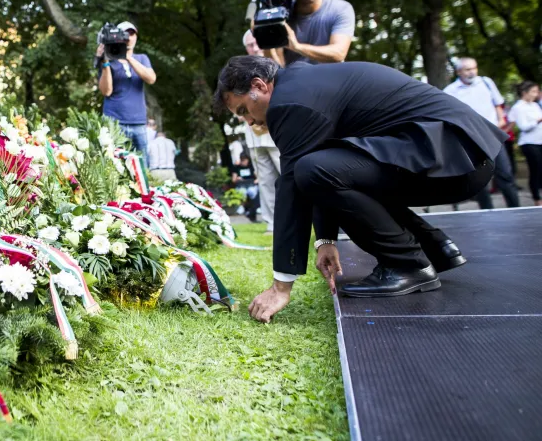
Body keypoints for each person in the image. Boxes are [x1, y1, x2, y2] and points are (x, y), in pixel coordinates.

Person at [214, 56, 506, 323]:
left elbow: (295, 183)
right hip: (463, 153)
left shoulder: (287, 103)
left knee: (310, 170)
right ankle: (434, 248)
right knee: (320, 168)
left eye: (244, 110)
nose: (249, 121)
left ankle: (408, 265)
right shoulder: (301, 83)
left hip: (455, 156)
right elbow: (327, 167)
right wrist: (325, 239)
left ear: (259, 85)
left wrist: (281, 286)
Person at [443, 57, 520, 209]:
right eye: (467, 69)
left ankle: (516, 208)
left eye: (474, 68)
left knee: (505, 174)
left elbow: (498, 103)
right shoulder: (450, 91)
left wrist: (500, 119)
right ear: (459, 72)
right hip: (471, 139)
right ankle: (486, 212)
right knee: (479, 179)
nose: (472, 72)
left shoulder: (486, 82)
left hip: (492, 136)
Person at [96, 21, 157, 164]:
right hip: (114, 122)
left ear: (136, 37)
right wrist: (105, 62)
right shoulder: (109, 59)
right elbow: (106, 91)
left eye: (132, 33)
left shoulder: (142, 58)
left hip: (138, 122)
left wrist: (127, 57)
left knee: (142, 167)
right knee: (114, 166)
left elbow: (151, 79)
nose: (129, 37)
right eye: (125, 34)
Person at [242, 30, 281, 235]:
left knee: (290, 174)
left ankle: (315, 218)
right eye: (250, 44)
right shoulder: (241, 71)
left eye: (256, 42)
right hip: (254, 136)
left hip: (276, 130)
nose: (254, 47)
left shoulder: (275, 63)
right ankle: (272, 223)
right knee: (265, 181)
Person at [509, 81, 542, 206]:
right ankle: (537, 199)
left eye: (536, 91)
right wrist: (537, 121)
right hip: (529, 143)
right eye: (533, 91)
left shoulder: (535, 105)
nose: (536, 94)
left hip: (540, 141)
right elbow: (523, 127)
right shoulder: (518, 107)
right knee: (536, 170)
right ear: (524, 92)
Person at [229, 153, 260, 222]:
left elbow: (257, 176)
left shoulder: (251, 166)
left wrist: (256, 180)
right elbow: (233, 179)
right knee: (242, 193)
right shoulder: (237, 167)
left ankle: (255, 208)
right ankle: (243, 207)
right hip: (241, 185)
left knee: (253, 192)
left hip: (251, 184)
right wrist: (238, 179)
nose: (244, 162)